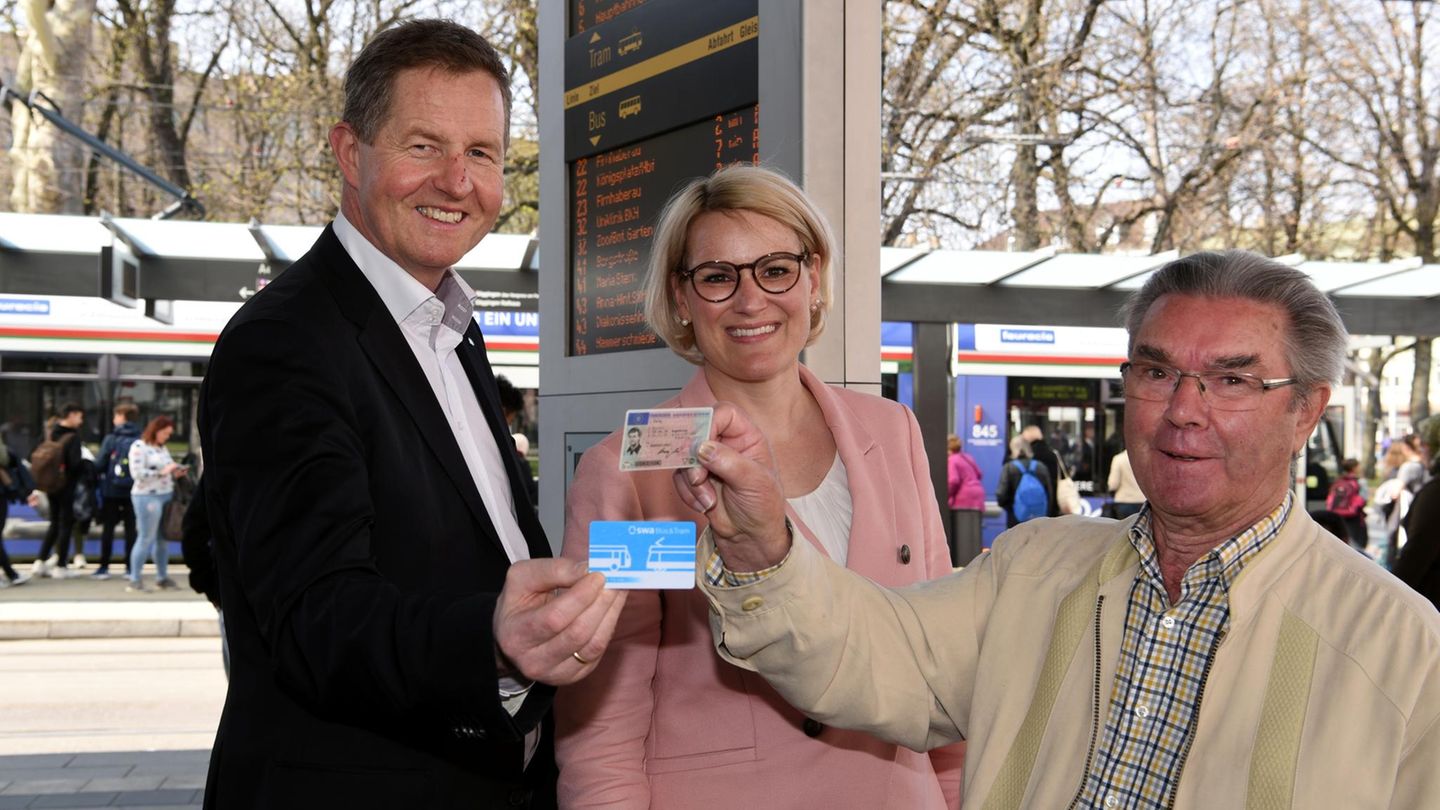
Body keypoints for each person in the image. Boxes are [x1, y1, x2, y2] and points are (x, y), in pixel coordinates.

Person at [681, 250, 1440, 807]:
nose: (1183, 408)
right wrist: (758, 544)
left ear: (1307, 408)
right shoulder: (1034, 568)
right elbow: (865, 656)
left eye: (1232, 380)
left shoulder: (1401, 646)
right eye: (1155, 371)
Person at [196, 21, 624, 810]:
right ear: (351, 154)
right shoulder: (285, 341)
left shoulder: (450, 328)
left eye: (483, 154)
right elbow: (314, 617)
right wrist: (493, 639)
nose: (458, 182)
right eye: (424, 146)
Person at [555, 165, 963, 809]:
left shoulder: (894, 432)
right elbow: (604, 719)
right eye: (718, 278)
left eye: (776, 269)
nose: (751, 302)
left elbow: (944, 659)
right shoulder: (635, 472)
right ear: (682, 299)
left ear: (815, 279)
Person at [126, 415, 185, 593]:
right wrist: (162, 472)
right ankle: (134, 579)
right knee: (146, 537)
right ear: (156, 430)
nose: (167, 437)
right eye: (165, 433)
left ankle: (162, 577)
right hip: (146, 496)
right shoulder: (139, 447)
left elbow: (167, 467)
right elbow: (137, 474)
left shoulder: (161, 448)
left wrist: (175, 471)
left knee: (163, 539)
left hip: (165, 494)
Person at [30, 404, 84, 579]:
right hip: (66, 486)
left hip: (49, 485)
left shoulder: (49, 433)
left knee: (54, 522)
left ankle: (40, 561)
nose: (80, 421)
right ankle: (61, 566)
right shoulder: (73, 438)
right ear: (71, 415)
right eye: (79, 416)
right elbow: (75, 465)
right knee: (66, 524)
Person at [1392, 417, 1440, 610]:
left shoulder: (1435, 494)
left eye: (1425, 445)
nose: (1422, 452)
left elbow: (1416, 554)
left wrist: (1389, 598)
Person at [93, 403, 141, 580]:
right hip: (134, 491)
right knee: (131, 530)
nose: (114, 420)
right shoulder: (141, 438)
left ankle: (104, 567)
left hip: (111, 491)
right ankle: (129, 567)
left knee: (108, 529)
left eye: (116, 416)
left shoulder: (111, 439)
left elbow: (100, 464)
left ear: (122, 416)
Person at [995, 434, 1052, 527]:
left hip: (1016, 519)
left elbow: (1001, 495)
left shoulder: (1009, 467)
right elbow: (1049, 494)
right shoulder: (1041, 467)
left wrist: (1011, 508)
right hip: (1039, 518)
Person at [947, 433, 984, 565]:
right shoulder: (967, 457)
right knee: (973, 534)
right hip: (977, 496)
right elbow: (979, 474)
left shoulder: (952, 460)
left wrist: (947, 496)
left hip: (963, 499)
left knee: (962, 535)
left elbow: (953, 480)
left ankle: (963, 564)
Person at [1327, 458, 1368, 551]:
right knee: (1356, 546)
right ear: (1355, 468)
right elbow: (1363, 499)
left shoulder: (1338, 481)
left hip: (1337, 516)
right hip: (1354, 518)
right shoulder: (1360, 482)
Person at [1020, 424, 1061, 516]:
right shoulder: (1053, 454)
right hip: (1053, 504)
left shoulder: (1029, 456)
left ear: (1027, 439)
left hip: (1033, 505)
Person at [1106, 447, 1145, 519]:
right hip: (1143, 501)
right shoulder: (1145, 458)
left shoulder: (1118, 459)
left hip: (1123, 501)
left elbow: (1113, 484)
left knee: (1124, 529)